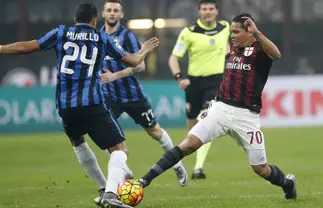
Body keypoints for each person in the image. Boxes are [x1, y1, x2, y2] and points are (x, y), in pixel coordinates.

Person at [0, 3, 159, 208]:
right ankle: (110, 193)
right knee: (120, 151)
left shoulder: (61, 32)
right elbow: (133, 61)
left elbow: (24, 47)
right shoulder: (102, 37)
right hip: (92, 102)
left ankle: (103, 188)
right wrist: (144, 50)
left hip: (66, 105)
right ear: (95, 21)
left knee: (78, 144)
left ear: (75, 20)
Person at [137, 13, 297, 201]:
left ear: (250, 32)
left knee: (260, 169)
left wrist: (258, 33)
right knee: (188, 144)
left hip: (246, 116)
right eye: (231, 32)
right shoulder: (232, 49)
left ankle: (288, 184)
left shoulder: (259, 51)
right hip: (220, 109)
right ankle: (142, 182)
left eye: (237, 32)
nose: (233, 35)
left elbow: (277, 54)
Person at [100, 0, 188, 186]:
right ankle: (124, 171)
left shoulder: (127, 36)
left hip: (133, 96)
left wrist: (116, 75)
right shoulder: (97, 37)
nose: (112, 13)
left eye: (116, 10)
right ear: (103, 14)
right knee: (105, 136)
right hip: (109, 98)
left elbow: (141, 65)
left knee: (155, 131)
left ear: (121, 14)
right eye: (109, 10)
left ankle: (177, 164)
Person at [169, 0, 230, 179]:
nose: (208, 12)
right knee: (193, 128)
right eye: (204, 9)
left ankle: (198, 168)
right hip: (194, 84)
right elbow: (173, 58)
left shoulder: (225, 27)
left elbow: (227, 46)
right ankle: (184, 161)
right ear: (199, 11)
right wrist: (179, 78)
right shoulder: (189, 33)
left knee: (206, 119)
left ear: (217, 11)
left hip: (216, 81)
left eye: (211, 9)